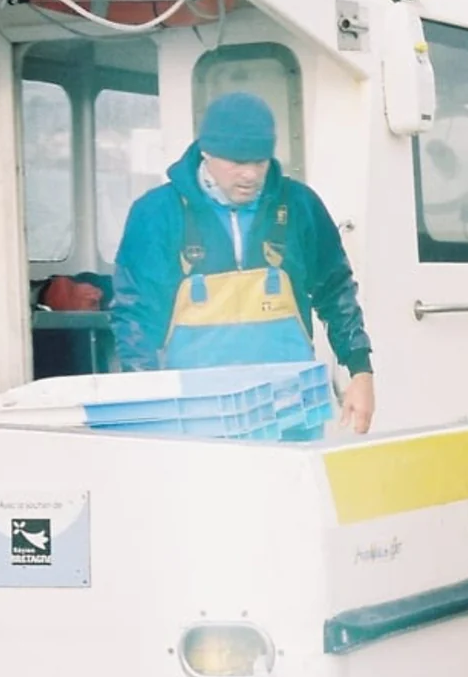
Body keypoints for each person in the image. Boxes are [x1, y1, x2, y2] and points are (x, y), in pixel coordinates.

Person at [111, 91, 376, 433]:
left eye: (260, 161)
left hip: (290, 414)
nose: (250, 174)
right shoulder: (157, 213)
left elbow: (335, 291)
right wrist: (144, 402)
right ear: (205, 151)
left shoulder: (300, 206)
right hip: (193, 420)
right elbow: (134, 313)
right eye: (237, 162)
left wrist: (360, 370)